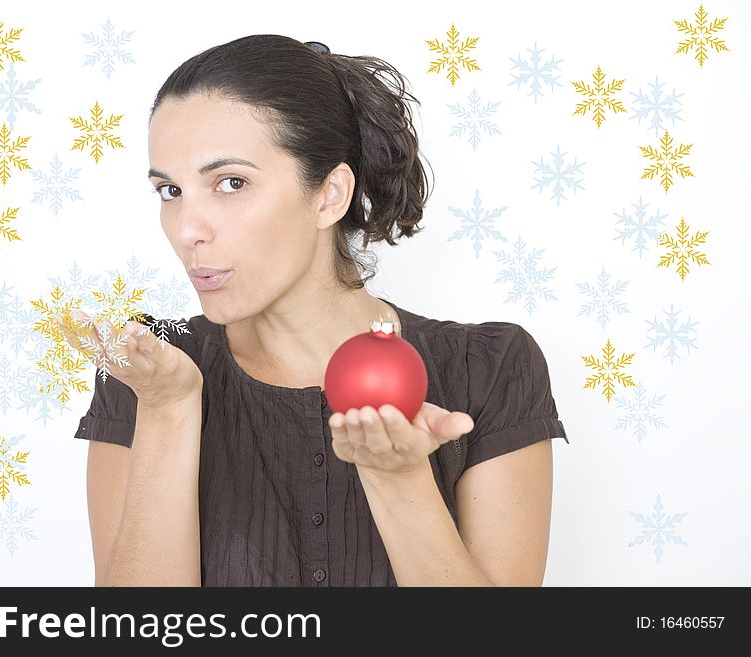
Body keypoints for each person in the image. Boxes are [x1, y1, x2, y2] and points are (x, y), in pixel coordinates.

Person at [62, 35, 569, 587]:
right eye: (170, 190)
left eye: (230, 183)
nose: (187, 230)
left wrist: (398, 479)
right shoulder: (150, 365)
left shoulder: (487, 368)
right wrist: (166, 407)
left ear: (330, 194)